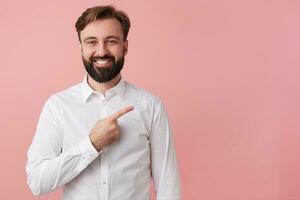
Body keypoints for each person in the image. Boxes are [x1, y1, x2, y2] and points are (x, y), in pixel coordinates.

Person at [26, 5, 181, 200]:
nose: (102, 51)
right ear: (81, 47)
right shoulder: (58, 107)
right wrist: (92, 144)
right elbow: (37, 182)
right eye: (91, 42)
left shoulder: (150, 106)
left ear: (125, 46)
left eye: (111, 41)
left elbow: (168, 185)